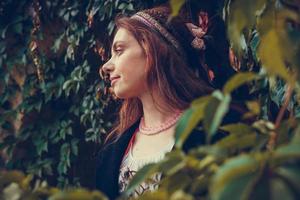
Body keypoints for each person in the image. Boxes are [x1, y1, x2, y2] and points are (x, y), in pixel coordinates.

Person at [95, 3, 243, 199]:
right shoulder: (111, 154)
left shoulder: (218, 132)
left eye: (119, 50)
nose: (106, 66)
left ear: (153, 51)